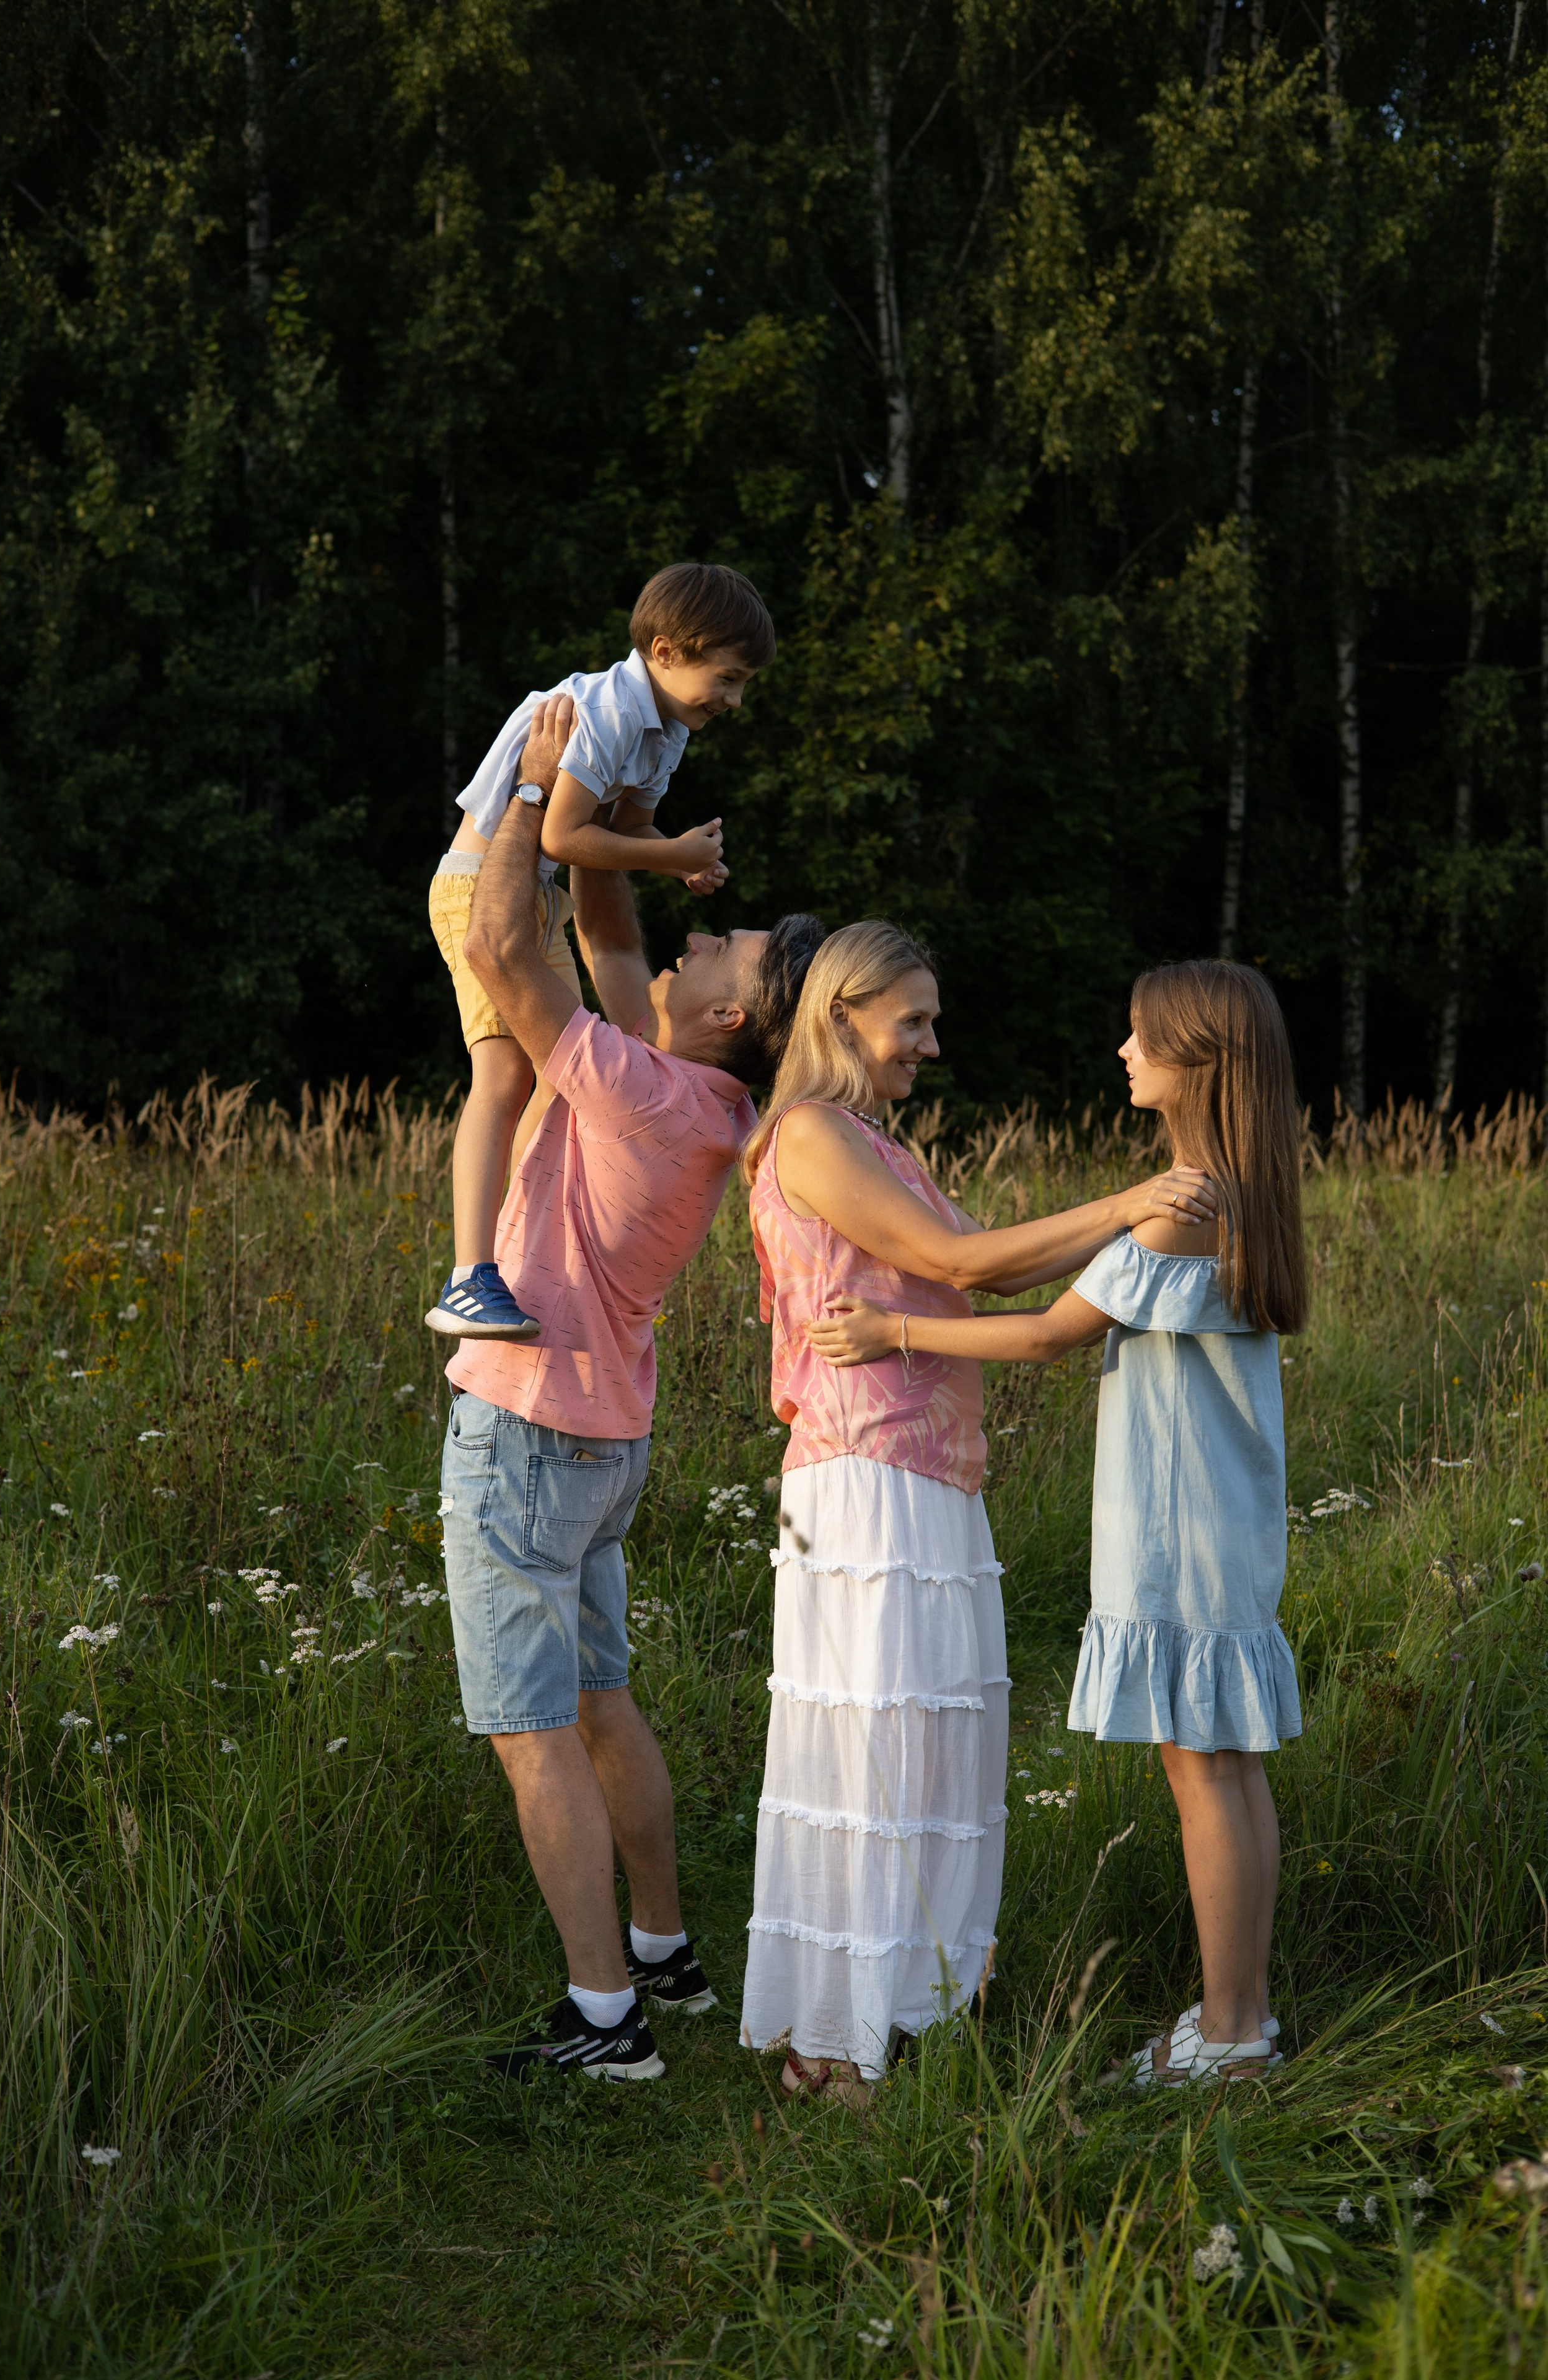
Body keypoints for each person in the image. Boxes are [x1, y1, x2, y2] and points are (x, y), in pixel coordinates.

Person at [737, 923, 1220, 2102]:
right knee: (869, 1746)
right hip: (863, 1470)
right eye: (913, 1021)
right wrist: (1130, 1201)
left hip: (923, 1472)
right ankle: (834, 2042)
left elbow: (961, 1267)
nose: (930, 1043)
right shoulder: (808, 1133)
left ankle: (898, 2010)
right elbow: (961, 1265)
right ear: (843, 1015)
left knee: (931, 1744)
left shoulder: (872, 1139)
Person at [441, 689, 825, 2081]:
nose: (698, 940)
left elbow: (502, 945)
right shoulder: (697, 1094)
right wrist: (636, 819)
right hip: (603, 1443)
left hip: (527, 1432)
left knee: (533, 1728)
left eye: (714, 946)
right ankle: (660, 1950)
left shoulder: (637, 1090)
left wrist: (537, 799)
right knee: (602, 1699)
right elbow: (606, 927)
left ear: (729, 1013)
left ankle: (603, 2022)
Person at [424, 562, 775, 1342]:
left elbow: (627, 834)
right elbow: (562, 835)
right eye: (726, 677)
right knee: (507, 1073)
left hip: (538, 894)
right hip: (481, 884)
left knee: (558, 1076)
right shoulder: (607, 712)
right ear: (664, 649)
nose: (734, 700)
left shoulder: (669, 727)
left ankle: (516, 1246)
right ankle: (469, 1276)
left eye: (744, 683)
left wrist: (680, 856)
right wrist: (670, 854)